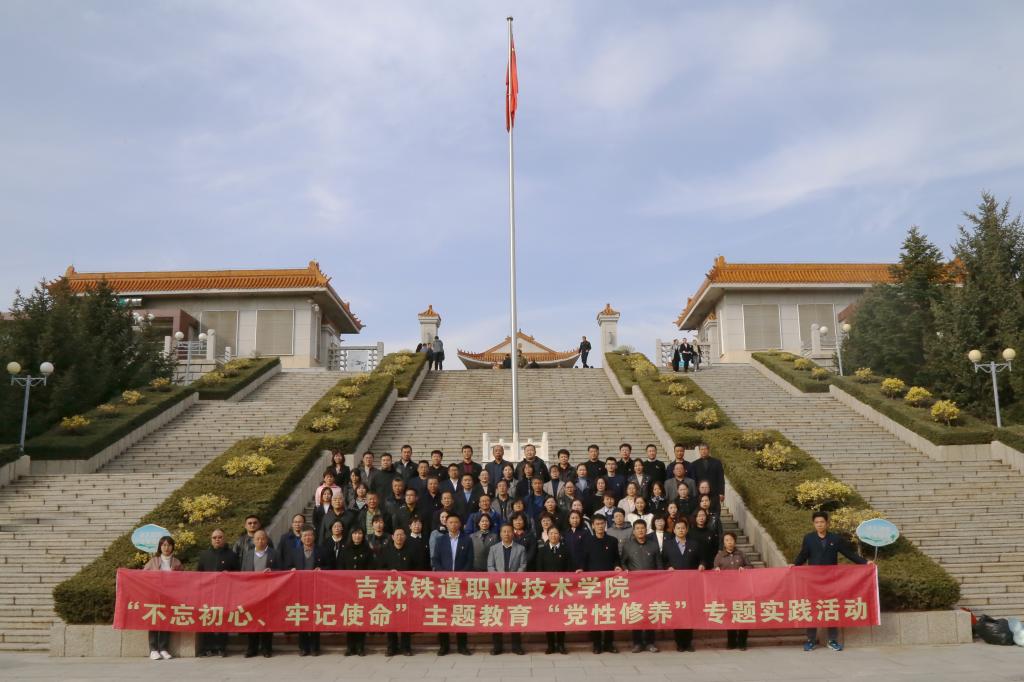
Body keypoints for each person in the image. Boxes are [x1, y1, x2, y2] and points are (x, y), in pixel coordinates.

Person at [794, 511, 871, 652]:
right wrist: (794, 565)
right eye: (816, 522)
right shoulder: (809, 538)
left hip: (831, 581)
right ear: (813, 524)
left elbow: (849, 553)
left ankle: (832, 640)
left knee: (832, 608)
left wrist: (865, 563)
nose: (819, 525)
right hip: (814, 581)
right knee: (812, 609)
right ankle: (811, 640)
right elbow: (803, 555)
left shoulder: (835, 539)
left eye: (822, 522)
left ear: (827, 523)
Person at [431, 513, 474, 655]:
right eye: (450, 522)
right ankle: (444, 646)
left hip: (461, 583)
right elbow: (435, 560)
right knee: (443, 614)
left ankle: (462, 646)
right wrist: (444, 575)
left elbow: (470, 561)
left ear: (460, 524)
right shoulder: (440, 540)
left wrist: (461, 576)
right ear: (446, 524)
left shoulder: (467, 540)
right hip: (444, 583)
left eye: (456, 522)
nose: (453, 525)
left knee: (461, 613)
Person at [580, 515, 621, 653]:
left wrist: (617, 566)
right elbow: (584, 560)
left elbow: (616, 558)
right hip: (593, 583)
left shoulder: (612, 540)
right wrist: (581, 569)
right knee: (595, 613)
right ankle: (596, 644)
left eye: (602, 523)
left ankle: (609, 643)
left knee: (609, 612)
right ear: (592, 526)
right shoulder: (587, 541)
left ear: (605, 525)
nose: (600, 526)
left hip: (610, 583)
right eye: (597, 524)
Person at [619, 520, 662, 652]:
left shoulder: (653, 545)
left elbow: (659, 565)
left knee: (650, 612)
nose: (640, 531)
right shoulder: (628, 546)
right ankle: (637, 643)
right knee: (636, 612)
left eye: (642, 528)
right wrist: (625, 570)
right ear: (633, 531)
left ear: (646, 529)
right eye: (637, 528)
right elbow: (623, 562)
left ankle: (650, 642)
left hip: (651, 586)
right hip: (635, 586)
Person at [196, 528, 239, 657]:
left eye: (220, 537)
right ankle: (207, 647)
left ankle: (221, 647)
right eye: (214, 538)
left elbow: (238, 574)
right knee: (207, 619)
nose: (217, 540)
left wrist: (229, 575)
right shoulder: (204, 555)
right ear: (211, 540)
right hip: (207, 594)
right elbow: (198, 574)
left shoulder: (232, 555)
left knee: (222, 620)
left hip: (224, 593)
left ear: (224, 539)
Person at [287, 526, 328, 656]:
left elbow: (330, 566)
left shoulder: (322, 551)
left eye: (310, 535)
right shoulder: (294, 552)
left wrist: (322, 569)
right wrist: (291, 570)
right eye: (305, 536)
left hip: (316, 589)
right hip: (300, 590)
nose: (307, 538)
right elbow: (287, 566)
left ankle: (315, 647)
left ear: (314, 537)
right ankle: (303, 647)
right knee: (302, 617)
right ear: (301, 538)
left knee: (315, 617)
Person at [486, 524, 527, 655]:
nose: (506, 534)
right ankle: (497, 646)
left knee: (515, 615)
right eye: (504, 531)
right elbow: (490, 566)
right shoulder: (493, 548)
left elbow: (523, 565)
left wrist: (514, 578)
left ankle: (516, 646)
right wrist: (498, 578)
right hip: (498, 587)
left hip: (514, 587)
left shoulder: (520, 548)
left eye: (509, 531)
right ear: (500, 534)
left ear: (513, 533)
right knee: (497, 615)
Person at [663, 518, 702, 651]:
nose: (681, 530)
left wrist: (702, 565)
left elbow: (702, 559)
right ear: (674, 530)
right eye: (678, 528)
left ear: (687, 530)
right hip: (675, 585)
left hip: (691, 585)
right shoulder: (668, 545)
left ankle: (688, 642)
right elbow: (663, 561)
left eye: (683, 528)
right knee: (678, 612)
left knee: (689, 612)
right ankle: (679, 642)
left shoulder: (694, 544)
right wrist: (667, 567)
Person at [377, 527, 415, 656]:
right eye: (397, 535)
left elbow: (417, 569)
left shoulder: (411, 551)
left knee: (406, 619)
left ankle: (406, 647)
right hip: (390, 590)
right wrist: (389, 573)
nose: (399, 537)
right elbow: (379, 569)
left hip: (406, 590)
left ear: (405, 537)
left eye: (401, 535)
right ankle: (391, 647)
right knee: (391, 618)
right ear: (392, 537)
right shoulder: (385, 551)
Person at [241, 530, 278, 658]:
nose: (260, 541)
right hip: (252, 593)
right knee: (251, 620)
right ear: (253, 541)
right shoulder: (248, 554)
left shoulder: (274, 553)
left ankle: (266, 648)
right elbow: (243, 572)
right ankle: (252, 648)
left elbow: (282, 570)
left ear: (267, 540)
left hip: (269, 592)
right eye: (257, 539)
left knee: (266, 620)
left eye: (263, 538)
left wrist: (272, 571)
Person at [144, 536, 182, 660]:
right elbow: (143, 576)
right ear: (160, 547)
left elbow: (183, 580)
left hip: (170, 597)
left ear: (172, 547)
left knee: (166, 622)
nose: (166, 548)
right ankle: (153, 649)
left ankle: (164, 648)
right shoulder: (153, 561)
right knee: (154, 622)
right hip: (154, 597)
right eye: (164, 545)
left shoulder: (177, 563)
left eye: (169, 545)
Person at [535, 526, 571, 654]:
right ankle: (550, 645)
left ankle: (561, 644)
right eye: (551, 533)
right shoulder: (542, 551)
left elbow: (569, 569)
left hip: (561, 589)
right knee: (549, 617)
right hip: (548, 590)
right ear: (547, 535)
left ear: (559, 535)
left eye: (556, 533)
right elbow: (539, 569)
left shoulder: (566, 550)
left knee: (561, 617)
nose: (554, 535)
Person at [714, 531, 752, 650]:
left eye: (731, 540)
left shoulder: (741, 554)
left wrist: (744, 568)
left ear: (735, 541)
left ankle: (742, 642)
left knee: (743, 615)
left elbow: (750, 566)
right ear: (724, 543)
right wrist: (716, 570)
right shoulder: (719, 556)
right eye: (726, 540)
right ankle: (731, 641)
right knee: (730, 615)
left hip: (742, 590)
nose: (729, 542)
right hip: (727, 591)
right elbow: (714, 569)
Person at [339, 527, 374, 656]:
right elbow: (340, 569)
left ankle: (360, 646)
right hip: (348, 589)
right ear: (351, 535)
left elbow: (371, 569)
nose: (357, 536)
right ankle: (350, 647)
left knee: (361, 617)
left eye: (359, 533)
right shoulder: (345, 550)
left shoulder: (368, 550)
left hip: (362, 589)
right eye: (355, 533)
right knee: (350, 616)